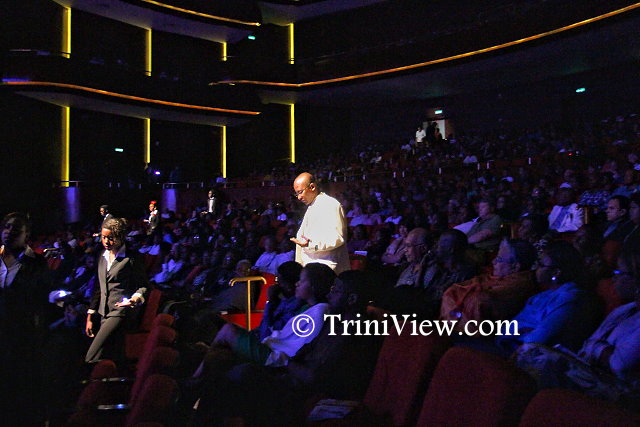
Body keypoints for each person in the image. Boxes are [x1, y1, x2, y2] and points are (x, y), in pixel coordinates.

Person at [514, 248, 640, 405]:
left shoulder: (571, 298)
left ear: (636, 279)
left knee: (534, 357)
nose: (614, 277)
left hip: (617, 395)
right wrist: (603, 350)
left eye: (619, 272)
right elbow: (588, 344)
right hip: (591, 373)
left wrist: (597, 348)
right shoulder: (624, 310)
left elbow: (619, 364)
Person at [0, 212, 50, 425]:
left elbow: (39, 297)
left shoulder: (36, 263)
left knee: (19, 386)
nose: (9, 231)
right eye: (7, 227)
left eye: (16, 228)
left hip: (21, 332)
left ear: (26, 235)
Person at [85, 217, 149, 362]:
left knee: (92, 356)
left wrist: (134, 299)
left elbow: (144, 285)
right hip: (103, 311)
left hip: (120, 311)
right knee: (112, 353)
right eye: (103, 237)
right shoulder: (101, 256)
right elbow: (99, 286)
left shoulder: (131, 258)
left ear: (120, 237)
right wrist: (90, 315)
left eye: (110, 238)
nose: (106, 242)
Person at [441, 238, 538, 330]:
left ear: (515, 267)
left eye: (499, 259)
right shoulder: (497, 275)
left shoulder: (519, 285)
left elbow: (482, 301)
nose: (493, 262)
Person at [290, 173, 349, 274]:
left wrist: (311, 245)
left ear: (312, 187)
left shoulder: (330, 204)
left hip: (326, 269)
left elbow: (337, 238)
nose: (299, 197)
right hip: (311, 269)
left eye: (300, 192)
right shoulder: (312, 207)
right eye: (297, 194)